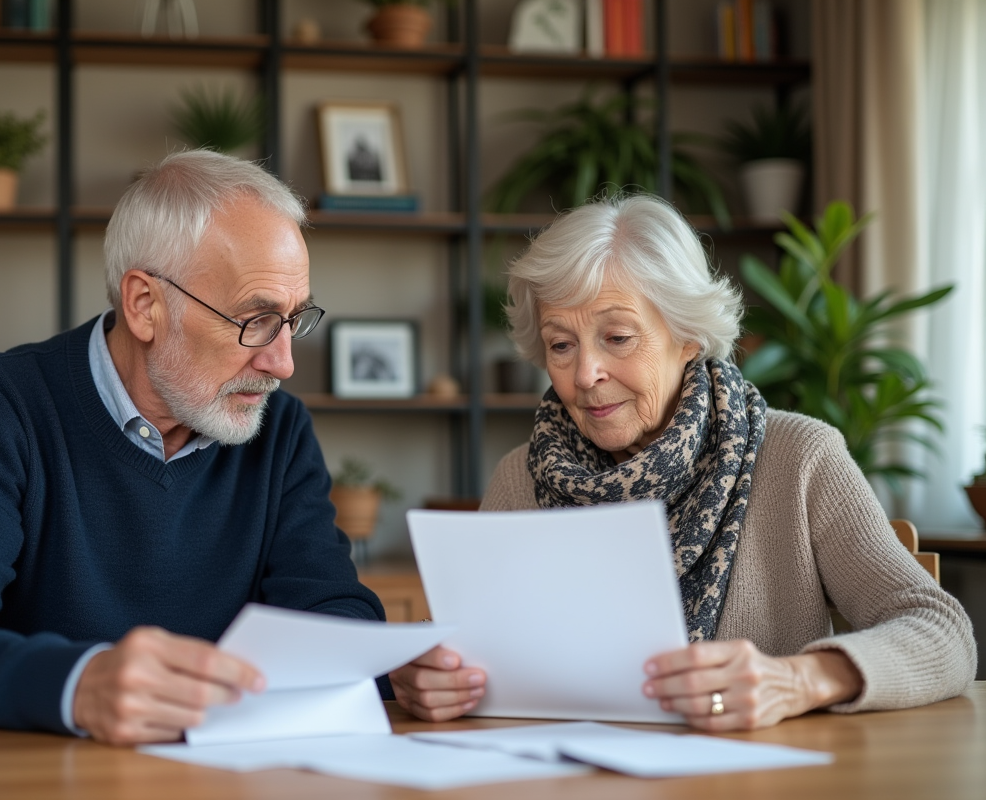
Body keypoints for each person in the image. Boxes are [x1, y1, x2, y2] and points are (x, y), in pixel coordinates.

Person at [389, 194, 977, 730]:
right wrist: (429, 673)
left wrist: (798, 680)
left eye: (618, 337)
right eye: (561, 345)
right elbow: (472, 656)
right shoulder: (520, 476)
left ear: (687, 335)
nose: (585, 374)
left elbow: (942, 631)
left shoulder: (799, 457)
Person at [0, 150, 389, 744]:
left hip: (228, 773)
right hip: (43, 775)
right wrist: (81, 685)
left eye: (294, 319)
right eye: (256, 319)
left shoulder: (279, 428)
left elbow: (331, 612)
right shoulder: (0, 406)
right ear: (144, 305)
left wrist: (394, 671)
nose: (283, 363)